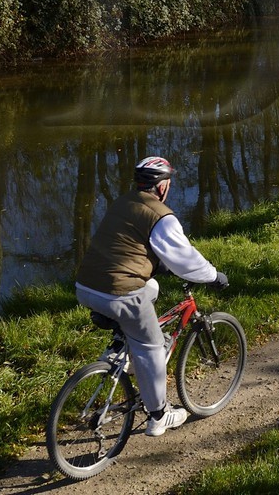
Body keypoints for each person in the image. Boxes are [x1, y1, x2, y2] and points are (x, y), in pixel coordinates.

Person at [74, 155, 229, 436]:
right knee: (152, 348)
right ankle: (159, 415)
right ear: (162, 186)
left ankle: (120, 347)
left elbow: (126, 246)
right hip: (119, 294)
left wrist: (157, 266)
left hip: (86, 287)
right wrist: (213, 276)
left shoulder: (123, 202)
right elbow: (185, 259)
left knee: (152, 287)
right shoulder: (161, 215)